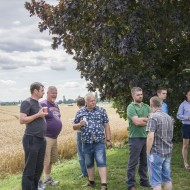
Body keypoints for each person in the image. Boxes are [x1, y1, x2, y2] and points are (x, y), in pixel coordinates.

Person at [73, 93, 111, 190]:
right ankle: (91, 181)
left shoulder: (101, 110)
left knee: (101, 161)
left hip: (99, 142)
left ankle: (104, 184)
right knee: (89, 163)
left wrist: (108, 140)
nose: (94, 102)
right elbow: (74, 126)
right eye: (91, 101)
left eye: (94, 100)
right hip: (86, 142)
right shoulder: (80, 112)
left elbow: (106, 125)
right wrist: (79, 125)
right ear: (86, 102)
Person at [19, 82, 48, 190]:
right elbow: (22, 120)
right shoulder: (27, 102)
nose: (43, 92)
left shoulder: (38, 103)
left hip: (41, 139)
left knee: (38, 168)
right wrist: (38, 115)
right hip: (32, 138)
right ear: (35, 91)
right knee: (30, 169)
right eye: (42, 90)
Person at [126, 87, 151, 190]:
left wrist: (143, 120)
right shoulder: (131, 107)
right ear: (133, 96)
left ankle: (144, 181)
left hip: (147, 137)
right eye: (138, 95)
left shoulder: (146, 106)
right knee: (133, 162)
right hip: (135, 138)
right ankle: (131, 184)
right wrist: (146, 119)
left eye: (141, 94)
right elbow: (136, 122)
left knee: (145, 162)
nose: (140, 96)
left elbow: (153, 120)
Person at [146, 96, 173, 190]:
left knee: (156, 181)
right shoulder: (168, 117)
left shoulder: (153, 117)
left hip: (156, 152)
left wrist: (147, 152)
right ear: (161, 104)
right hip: (168, 152)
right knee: (167, 179)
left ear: (151, 105)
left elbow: (150, 137)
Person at [40, 86, 62, 186]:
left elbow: (57, 117)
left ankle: (47, 179)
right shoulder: (42, 104)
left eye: (56, 93)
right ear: (47, 93)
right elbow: (39, 119)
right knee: (45, 160)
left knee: (51, 160)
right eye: (52, 93)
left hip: (54, 137)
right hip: (47, 136)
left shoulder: (56, 105)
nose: (54, 94)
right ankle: (39, 182)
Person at [177, 89, 190, 170]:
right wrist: (187, 117)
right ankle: (186, 163)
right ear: (187, 95)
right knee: (185, 145)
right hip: (186, 126)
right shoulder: (183, 105)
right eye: (189, 94)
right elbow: (178, 115)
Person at [75, 97, 88, 177]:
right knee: (87, 152)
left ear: (77, 104)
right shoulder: (88, 110)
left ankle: (84, 172)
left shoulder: (79, 111)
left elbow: (76, 124)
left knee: (80, 153)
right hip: (88, 134)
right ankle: (90, 170)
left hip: (80, 133)